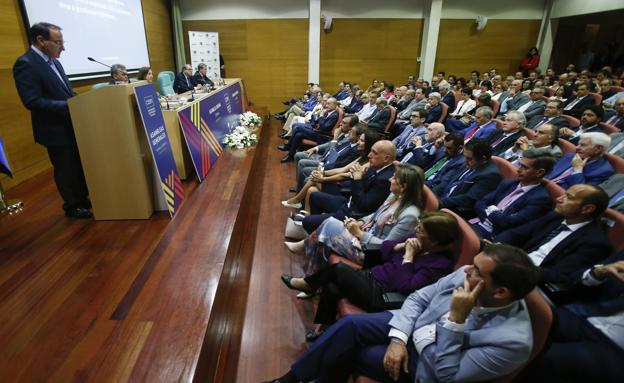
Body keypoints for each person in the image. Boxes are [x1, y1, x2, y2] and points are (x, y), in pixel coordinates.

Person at [264, 244, 539, 383]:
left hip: (425, 365)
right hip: (409, 329)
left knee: (350, 351)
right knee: (351, 327)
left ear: (501, 292)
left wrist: (456, 321)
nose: (467, 270)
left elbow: (446, 377)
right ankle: (288, 380)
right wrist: (397, 340)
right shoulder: (464, 274)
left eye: (477, 271)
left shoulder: (513, 342)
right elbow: (418, 299)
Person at [281, 211, 459, 341]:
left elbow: (404, 287)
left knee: (339, 270)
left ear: (435, 241)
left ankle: (307, 284)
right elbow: (386, 248)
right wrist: (398, 247)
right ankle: (324, 330)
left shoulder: (440, 264)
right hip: (372, 275)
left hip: (383, 295)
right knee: (332, 285)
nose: (416, 230)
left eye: (421, 230)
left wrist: (409, 257)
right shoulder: (416, 238)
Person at [285, 163, 423, 275]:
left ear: (403, 187)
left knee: (330, 225)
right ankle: (310, 279)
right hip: (363, 236)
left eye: (394, 178)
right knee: (326, 233)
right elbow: (374, 215)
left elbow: (387, 247)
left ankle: (305, 251)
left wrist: (360, 233)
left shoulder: (410, 215)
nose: (390, 180)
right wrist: (361, 222)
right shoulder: (394, 196)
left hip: (370, 253)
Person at [13, 22, 92, 218]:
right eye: (58, 42)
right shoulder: (26, 63)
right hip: (53, 129)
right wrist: (69, 105)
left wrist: (79, 100)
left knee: (76, 164)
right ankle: (72, 206)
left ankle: (82, 199)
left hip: (71, 124)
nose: (63, 47)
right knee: (65, 167)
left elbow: (65, 91)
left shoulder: (55, 62)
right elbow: (32, 101)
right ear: (41, 40)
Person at [526, 252, 624, 382]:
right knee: (524, 322)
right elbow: (575, 279)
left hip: (614, 347)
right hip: (586, 316)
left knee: (548, 359)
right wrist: (599, 273)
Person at [494, 184, 612, 288]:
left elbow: (558, 275)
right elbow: (515, 233)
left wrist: (514, 266)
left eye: (568, 197)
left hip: (532, 282)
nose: (559, 199)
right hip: (513, 264)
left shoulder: (595, 243)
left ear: (587, 209)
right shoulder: (555, 217)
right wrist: (497, 246)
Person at [302, 140, 396, 233]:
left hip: (352, 214)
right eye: (371, 151)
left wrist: (357, 179)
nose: (369, 155)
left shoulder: (385, 180)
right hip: (348, 203)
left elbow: (364, 205)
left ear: (386, 158)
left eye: (374, 153)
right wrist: (354, 175)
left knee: (307, 221)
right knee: (314, 196)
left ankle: (319, 232)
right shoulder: (375, 166)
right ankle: (319, 232)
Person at [470, 149, 555, 239]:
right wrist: (490, 216)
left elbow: (508, 223)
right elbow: (480, 203)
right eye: (520, 165)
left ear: (539, 172)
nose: (518, 170)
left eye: (525, 167)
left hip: (491, 236)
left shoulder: (541, 199)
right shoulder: (508, 183)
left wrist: (492, 211)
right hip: (476, 222)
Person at [438, 139, 501, 218]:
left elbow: (469, 199)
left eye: (469, 158)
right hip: (443, 199)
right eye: (465, 157)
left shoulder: (491, 175)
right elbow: (449, 181)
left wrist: (439, 202)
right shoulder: (471, 162)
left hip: (455, 210)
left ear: (483, 158)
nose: (465, 161)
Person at [546, 132, 614, 189]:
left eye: (582, 145)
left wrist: (578, 170)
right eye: (578, 144)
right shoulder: (570, 156)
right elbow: (549, 173)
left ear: (598, 149)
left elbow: (579, 192)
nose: (577, 147)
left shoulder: (604, 171)